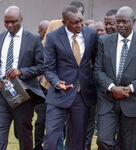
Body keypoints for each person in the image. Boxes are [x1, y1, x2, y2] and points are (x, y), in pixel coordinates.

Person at [94, 6, 136, 150]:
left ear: (133, 21)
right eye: (118, 22)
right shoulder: (104, 41)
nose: (120, 25)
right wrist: (112, 87)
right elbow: (97, 70)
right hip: (108, 100)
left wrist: (130, 88)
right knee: (103, 140)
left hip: (133, 101)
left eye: (124, 22)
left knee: (127, 145)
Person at [0, 6, 45, 150]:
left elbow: (42, 66)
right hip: (0, 93)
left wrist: (21, 71)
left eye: (13, 22)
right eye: (6, 22)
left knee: (23, 133)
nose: (9, 25)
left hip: (23, 94)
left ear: (21, 19)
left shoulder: (33, 39)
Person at [43, 6, 98, 150]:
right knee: (52, 138)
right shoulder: (53, 37)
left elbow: (96, 62)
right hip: (59, 94)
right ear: (64, 22)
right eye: (75, 23)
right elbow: (48, 68)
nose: (79, 25)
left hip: (82, 95)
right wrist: (56, 82)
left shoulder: (91, 35)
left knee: (78, 139)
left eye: (81, 21)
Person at [33, 20, 49, 150]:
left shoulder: (56, 43)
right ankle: (38, 147)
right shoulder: (35, 45)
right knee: (41, 120)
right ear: (40, 32)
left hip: (55, 88)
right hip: (40, 89)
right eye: (46, 31)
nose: (49, 33)